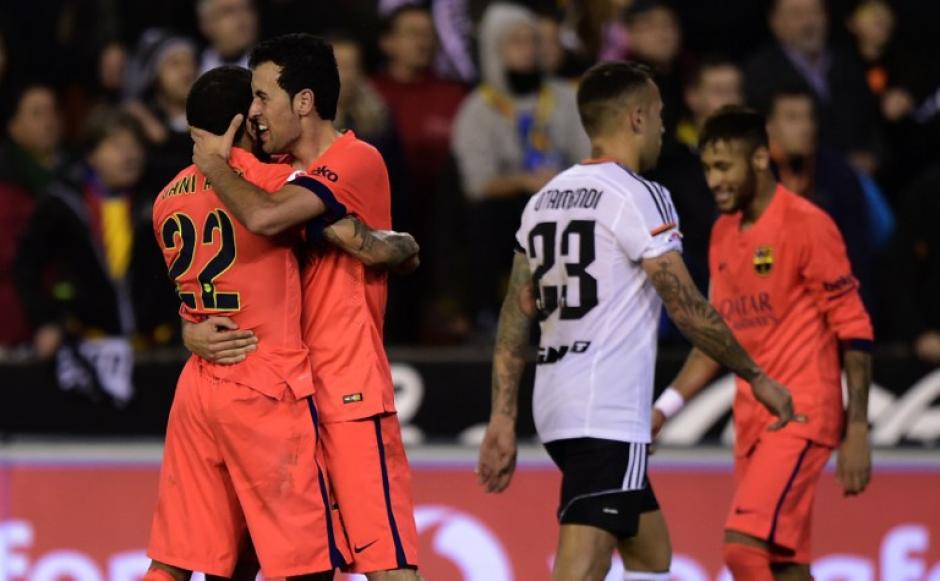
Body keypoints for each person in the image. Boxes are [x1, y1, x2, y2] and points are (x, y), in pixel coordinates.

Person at [477, 62, 799, 581]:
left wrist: (503, 415)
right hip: (606, 407)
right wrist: (756, 375)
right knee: (582, 565)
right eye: (660, 115)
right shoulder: (638, 195)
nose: (665, 128)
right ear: (636, 118)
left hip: (557, 405)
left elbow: (517, 318)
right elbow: (688, 307)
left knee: (651, 556)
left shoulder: (542, 202)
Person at [186, 34, 421, 580]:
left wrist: (213, 166)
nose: (254, 111)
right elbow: (217, 273)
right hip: (282, 401)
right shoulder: (272, 177)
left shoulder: (355, 159)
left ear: (305, 101)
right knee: (251, 563)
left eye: (264, 96)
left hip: (347, 395)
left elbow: (267, 218)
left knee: (387, 566)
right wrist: (188, 329)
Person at [652, 106, 874, 581]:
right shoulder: (721, 233)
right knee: (785, 563)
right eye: (708, 169)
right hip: (753, 420)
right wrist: (663, 410)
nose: (714, 181)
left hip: (802, 410)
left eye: (724, 167)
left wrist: (858, 428)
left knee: (743, 548)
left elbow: (853, 326)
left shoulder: (806, 224)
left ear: (758, 159)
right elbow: (716, 340)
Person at [452, 2, 590, 329]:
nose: (529, 50)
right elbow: (477, 184)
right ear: (494, 48)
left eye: (533, 41)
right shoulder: (477, 110)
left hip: (565, 202)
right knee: (486, 215)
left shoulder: (566, 98)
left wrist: (555, 182)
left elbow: (589, 159)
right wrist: (525, 182)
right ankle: (485, 317)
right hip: (507, 209)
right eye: (517, 42)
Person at [744, 0, 880, 174]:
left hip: (861, 181)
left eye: (815, 12)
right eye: (797, 14)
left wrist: (873, 156)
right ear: (775, 22)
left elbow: (872, 122)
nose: (809, 22)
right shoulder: (758, 74)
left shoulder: (849, 64)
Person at [0, 83, 63, 348]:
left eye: (52, 111)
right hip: (18, 326)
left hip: (72, 321)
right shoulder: (7, 187)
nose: (48, 121)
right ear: (14, 126)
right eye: (36, 113)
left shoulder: (78, 174)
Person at [196, 0, 258, 73]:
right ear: (206, 24)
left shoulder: (271, 69)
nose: (241, 19)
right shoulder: (193, 71)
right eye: (229, 12)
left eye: (247, 9)